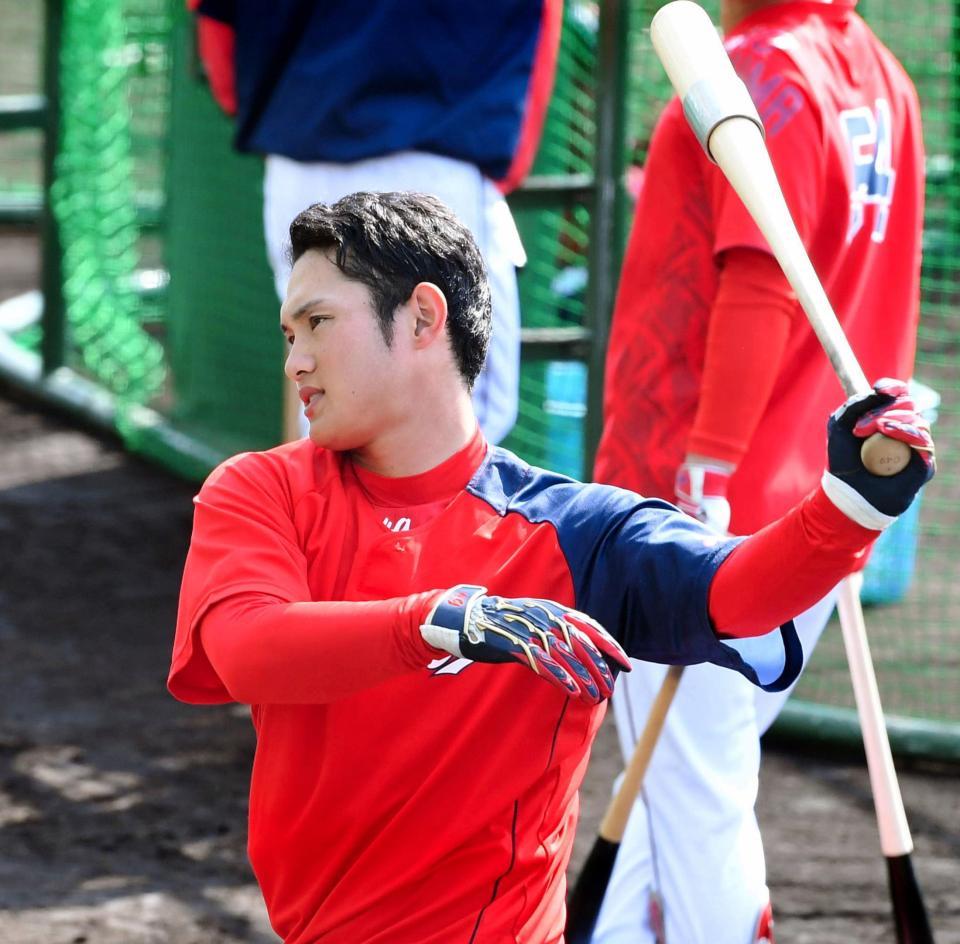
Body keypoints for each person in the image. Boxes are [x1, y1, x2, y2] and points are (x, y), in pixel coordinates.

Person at [166, 191, 932, 943]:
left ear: (424, 318)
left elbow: (742, 592)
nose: (295, 360)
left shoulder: (576, 531)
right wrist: (443, 623)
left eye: (318, 324)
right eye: (290, 333)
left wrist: (849, 507)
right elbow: (245, 648)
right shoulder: (263, 490)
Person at [592, 2, 926, 941]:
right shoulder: (878, 73)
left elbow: (760, 279)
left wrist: (708, 471)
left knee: (694, 791)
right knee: (671, 771)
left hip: (709, 500)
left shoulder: (764, 73)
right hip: (819, 498)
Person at [190, 0, 562, 445]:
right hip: (435, 150)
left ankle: (316, 517)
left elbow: (214, 23)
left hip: (300, 142)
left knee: (322, 397)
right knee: (459, 418)